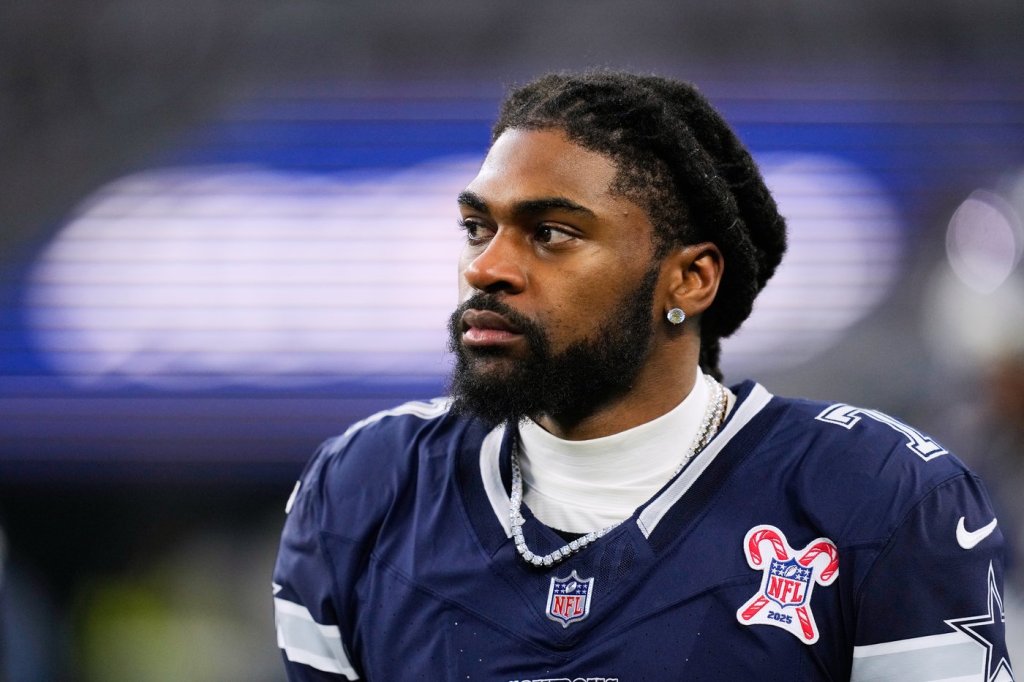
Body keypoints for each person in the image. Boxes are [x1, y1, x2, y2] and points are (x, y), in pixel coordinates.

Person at [272, 71, 1013, 681]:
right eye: (477, 228)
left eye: (550, 233)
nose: (486, 267)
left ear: (689, 280)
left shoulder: (880, 496)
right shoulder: (362, 490)